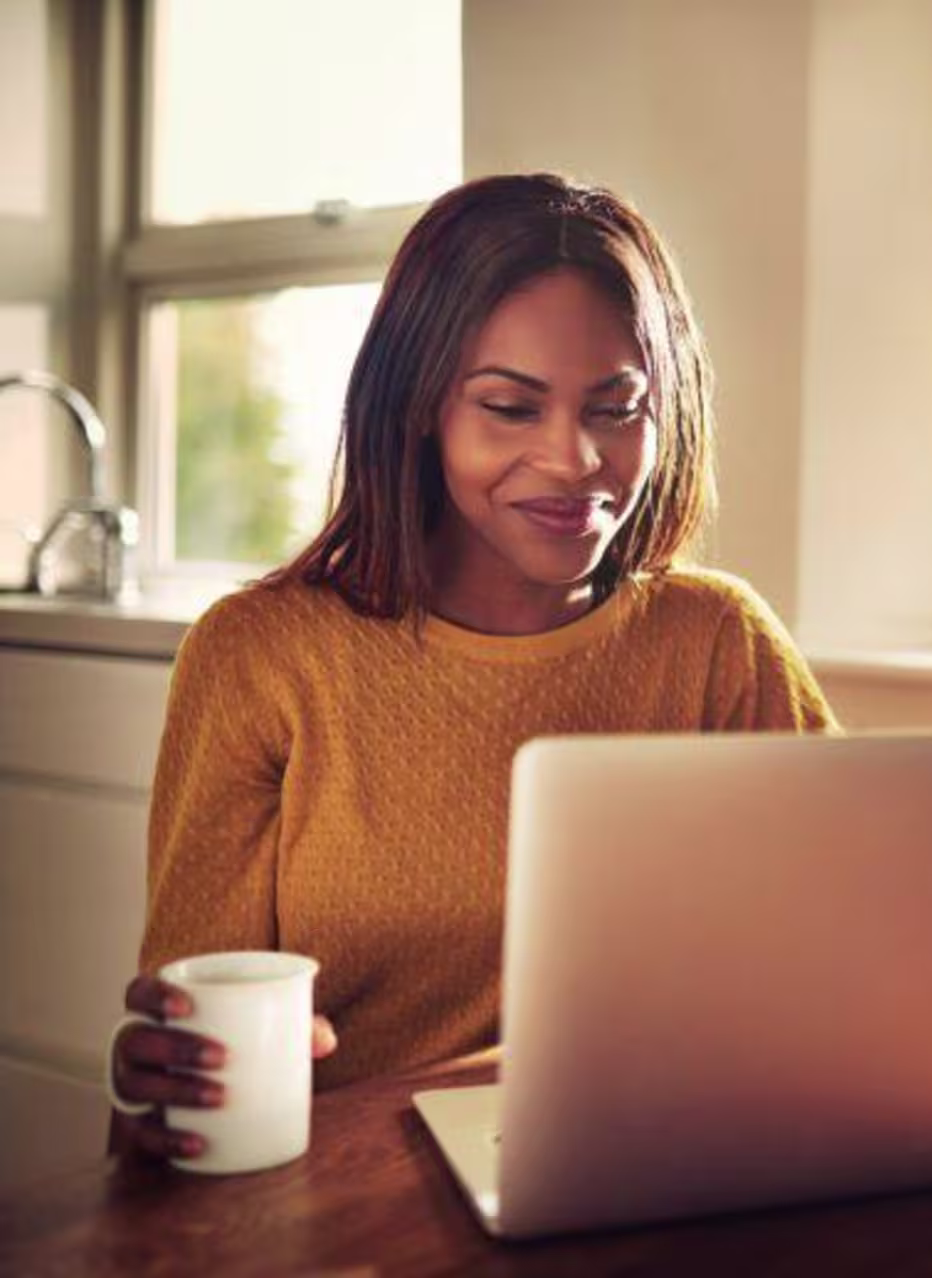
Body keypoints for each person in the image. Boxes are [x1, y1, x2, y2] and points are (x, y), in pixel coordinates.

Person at [107, 173, 835, 1164]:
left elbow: (852, 954)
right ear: (419, 407)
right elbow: (183, 1063)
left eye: (617, 410)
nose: (575, 460)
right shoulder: (261, 656)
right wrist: (168, 1079)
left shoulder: (718, 644)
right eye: (509, 408)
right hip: (345, 1204)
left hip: (648, 1169)